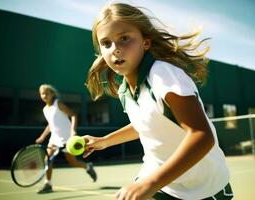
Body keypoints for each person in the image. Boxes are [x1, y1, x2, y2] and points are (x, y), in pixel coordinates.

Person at [84, 2, 233, 200]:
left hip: (203, 187)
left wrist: (150, 183)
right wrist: (104, 142)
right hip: (163, 182)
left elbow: (202, 135)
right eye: (106, 43)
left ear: (146, 42)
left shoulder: (163, 74)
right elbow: (146, 124)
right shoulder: (125, 90)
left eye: (124, 38)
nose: (115, 49)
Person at [35, 84, 97, 194]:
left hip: (67, 138)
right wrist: (42, 136)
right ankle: (48, 184)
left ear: (52, 94)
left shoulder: (58, 104)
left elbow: (73, 115)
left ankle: (87, 167)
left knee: (73, 162)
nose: (44, 95)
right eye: (42, 94)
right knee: (47, 159)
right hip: (54, 139)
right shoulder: (45, 110)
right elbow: (50, 125)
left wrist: (73, 131)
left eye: (46, 93)